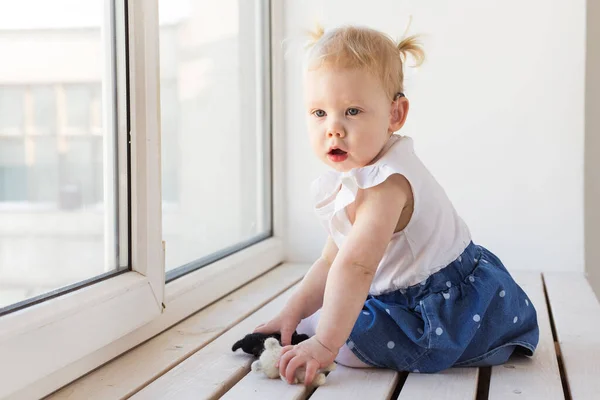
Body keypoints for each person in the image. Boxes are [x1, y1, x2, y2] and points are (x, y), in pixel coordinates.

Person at [254, 24, 539, 386]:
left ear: (395, 115)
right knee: (328, 309)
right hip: (404, 295)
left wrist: (324, 344)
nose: (334, 129)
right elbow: (332, 260)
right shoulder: (357, 175)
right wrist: (290, 313)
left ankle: (332, 338)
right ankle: (313, 327)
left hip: (446, 311)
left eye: (352, 111)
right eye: (319, 113)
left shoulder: (387, 183)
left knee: (345, 343)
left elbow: (356, 266)